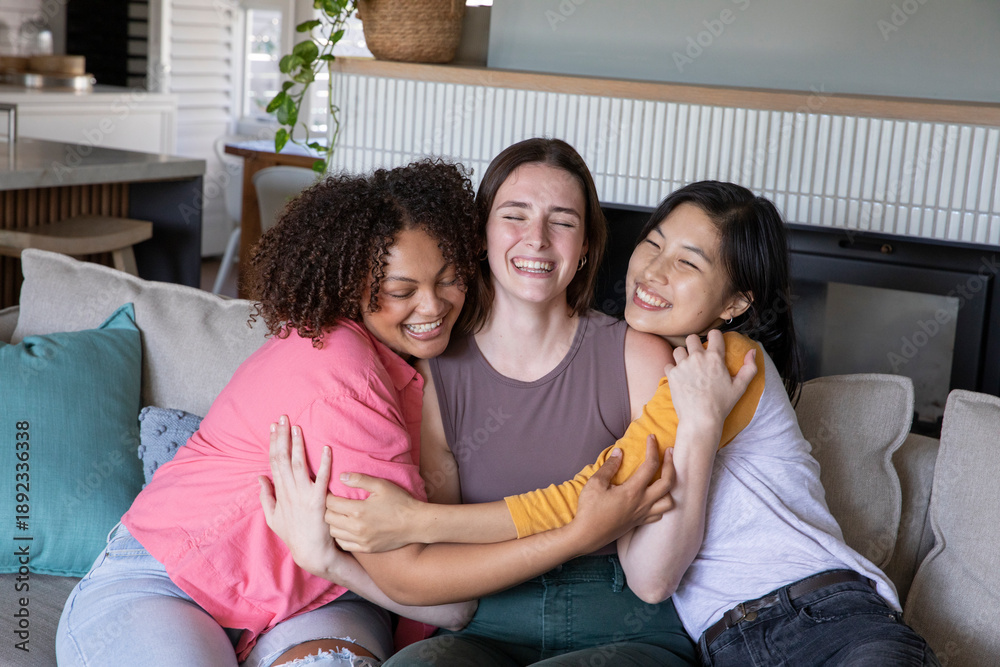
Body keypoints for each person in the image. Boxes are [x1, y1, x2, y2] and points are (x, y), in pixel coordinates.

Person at [301, 180, 941, 666]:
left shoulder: (725, 364)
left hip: (822, 612)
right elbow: (648, 565)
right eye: (654, 245)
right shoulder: (676, 379)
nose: (655, 272)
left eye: (689, 263)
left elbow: (590, 499)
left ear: (737, 302)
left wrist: (418, 521)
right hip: (725, 641)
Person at [263, 140, 756, 666]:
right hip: (482, 628)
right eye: (514, 216)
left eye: (562, 221)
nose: (536, 240)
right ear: (481, 236)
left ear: (587, 243)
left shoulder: (640, 357)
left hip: (621, 628)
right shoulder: (434, 372)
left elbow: (656, 574)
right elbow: (444, 582)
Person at [56, 160, 491, 667]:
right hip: (168, 581)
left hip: (322, 596)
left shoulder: (427, 369)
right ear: (352, 286)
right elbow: (447, 601)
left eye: (450, 278)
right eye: (401, 290)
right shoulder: (340, 372)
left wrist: (325, 560)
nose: (433, 305)